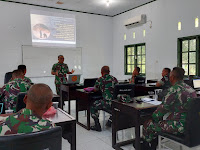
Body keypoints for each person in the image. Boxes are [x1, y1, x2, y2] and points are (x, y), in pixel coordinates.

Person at [142, 67, 197, 150]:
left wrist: (152, 117)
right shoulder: (191, 89)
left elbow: (162, 110)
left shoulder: (174, 90)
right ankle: (154, 142)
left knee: (148, 124)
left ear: (172, 77)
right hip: (192, 126)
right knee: (162, 121)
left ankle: (146, 147)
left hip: (179, 127)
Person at [90, 66, 118, 131]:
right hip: (116, 103)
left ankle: (97, 125)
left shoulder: (100, 79)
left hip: (107, 103)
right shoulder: (114, 79)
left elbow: (95, 89)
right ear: (109, 72)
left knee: (93, 105)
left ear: (101, 72)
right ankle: (110, 120)